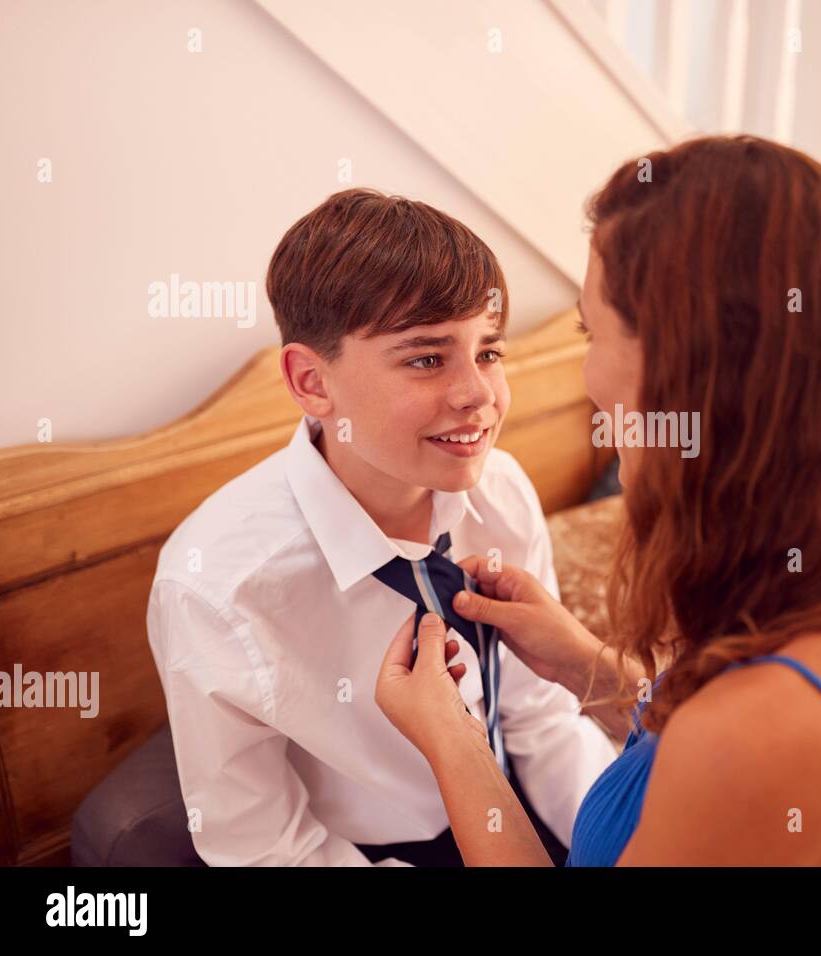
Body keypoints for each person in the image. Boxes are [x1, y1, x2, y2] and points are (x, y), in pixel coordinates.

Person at [376, 135, 821, 866]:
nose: (589, 380)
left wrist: (452, 743)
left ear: (689, 375)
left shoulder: (764, 736)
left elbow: (732, 757)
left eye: (593, 332)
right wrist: (581, 663)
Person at [147, 188, 617, 866]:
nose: (480, 396)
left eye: (488, 352)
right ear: (312, 382)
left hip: (525, 812)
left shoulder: (502, 489)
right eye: (427, 359)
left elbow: (540, 720)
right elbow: (261, 845)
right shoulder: (217, 587)